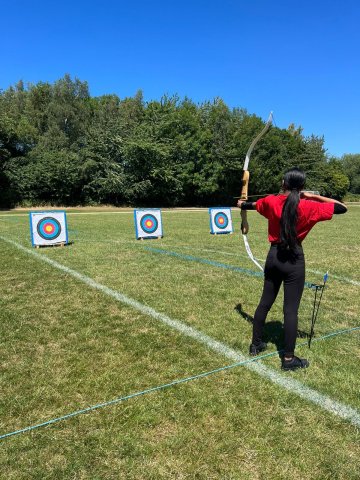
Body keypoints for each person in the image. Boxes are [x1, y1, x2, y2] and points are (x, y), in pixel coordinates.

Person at [237, 167, 347, 371]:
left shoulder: (270, 201)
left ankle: (255, 345)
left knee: (264, 303)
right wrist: (314, 196)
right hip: (294, 260)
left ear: (283, 183)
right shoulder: (309, 206)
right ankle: (288, 359)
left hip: (274, 257)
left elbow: (254, 205)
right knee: (290, 310)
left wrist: (243, 204)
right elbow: (341, 208)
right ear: (302, 187)